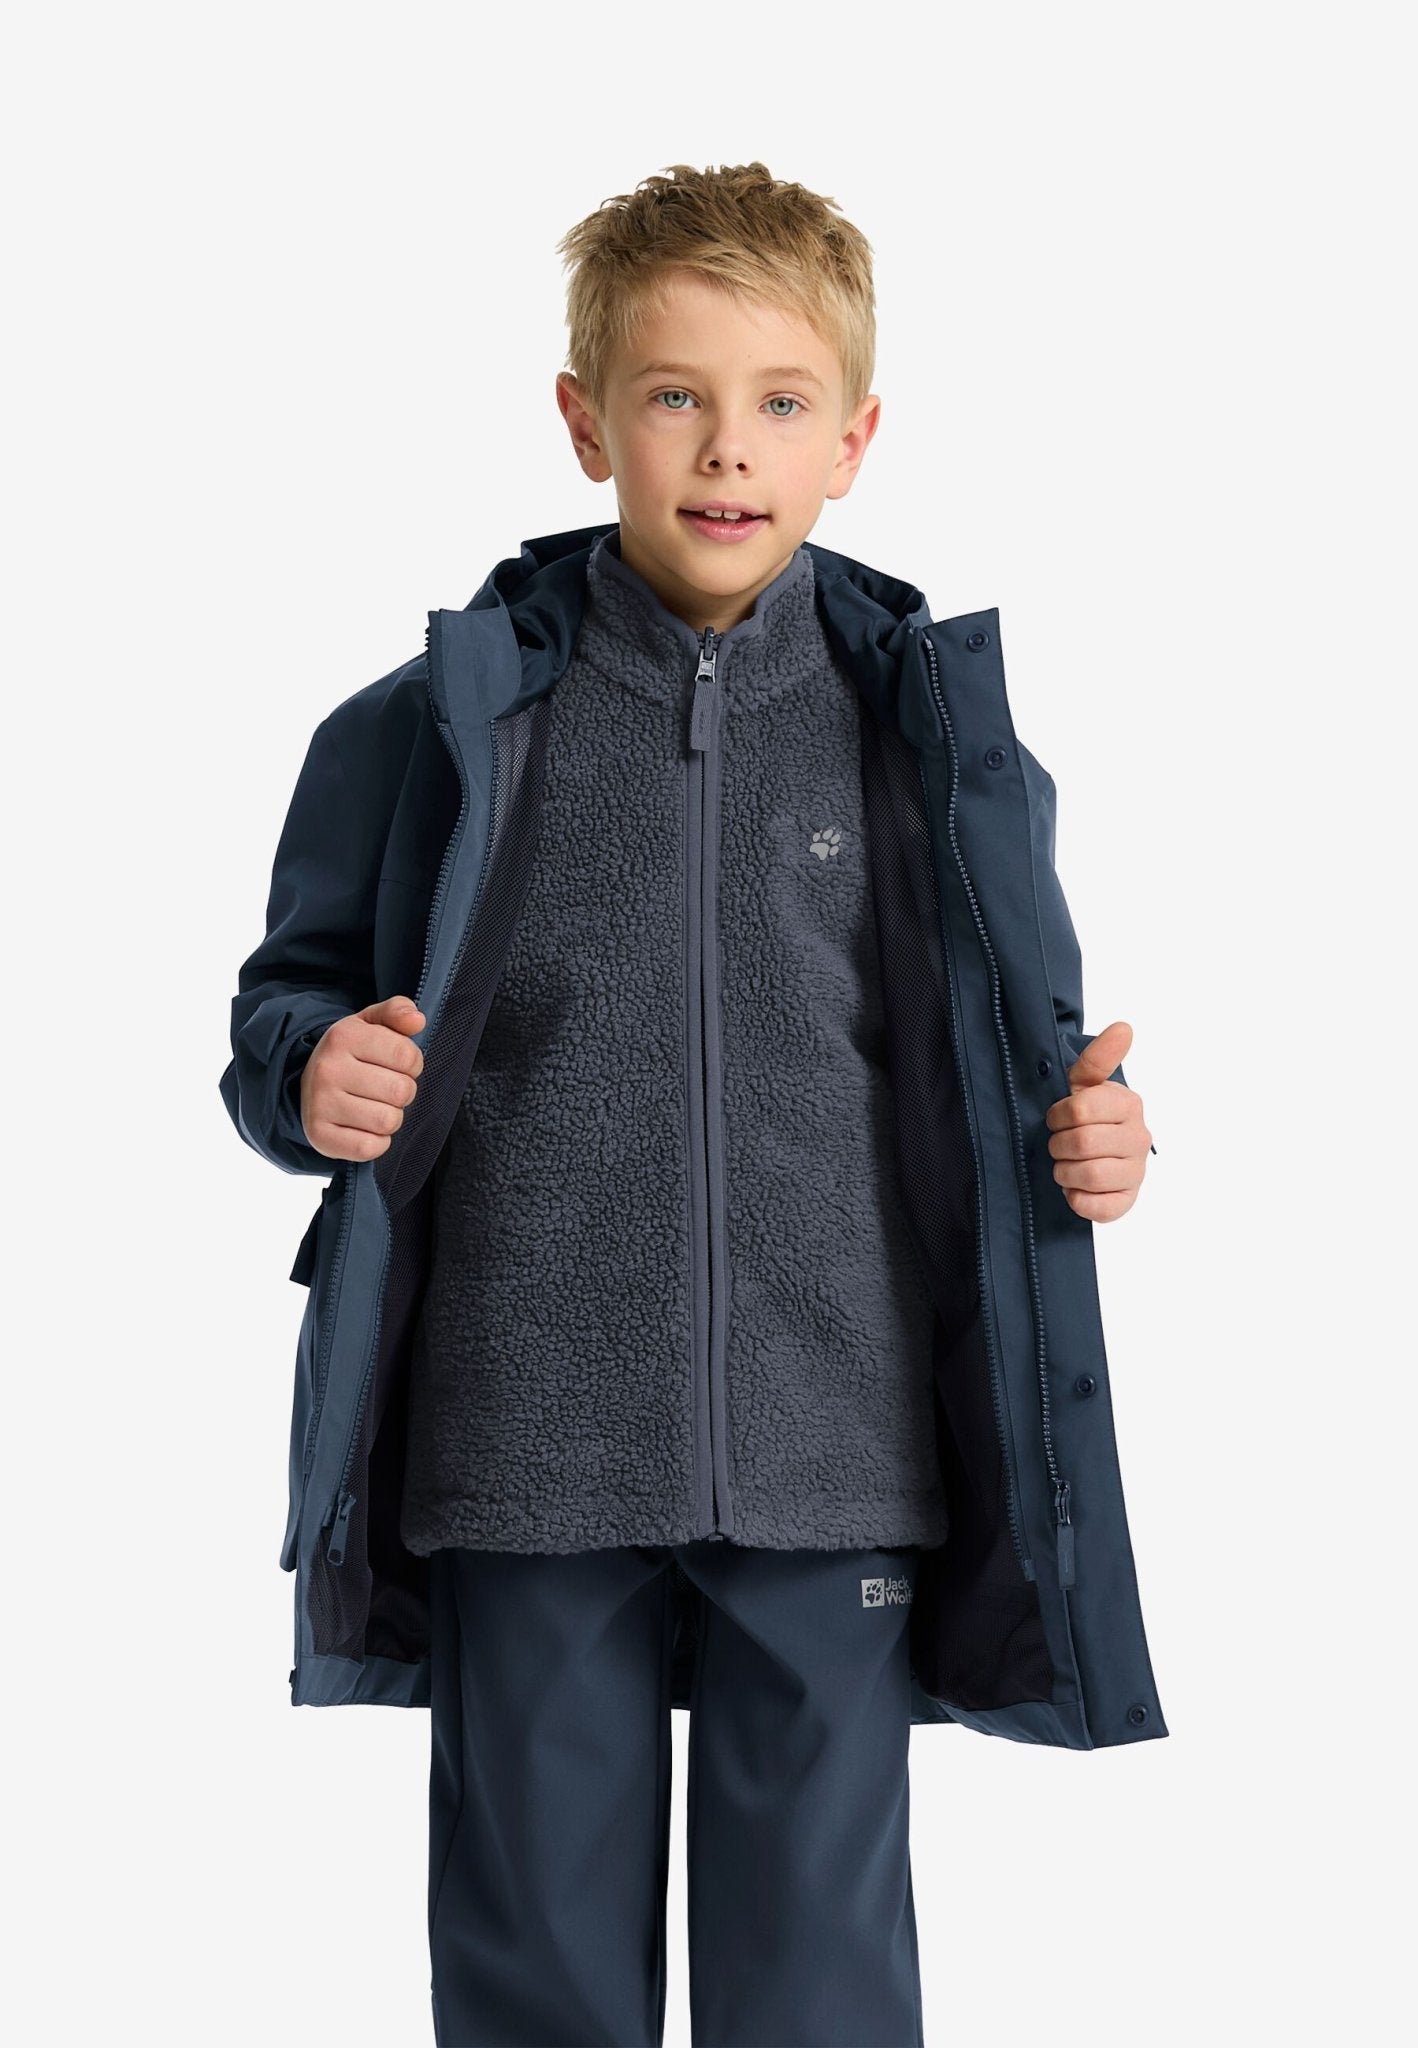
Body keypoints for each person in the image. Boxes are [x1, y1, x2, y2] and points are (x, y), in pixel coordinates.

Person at [220, 159, 1167, 2048]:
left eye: (781, 402)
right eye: (674, 396)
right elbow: (281, 1011)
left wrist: (1100, 1142)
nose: (728, 448)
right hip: (522, 1440)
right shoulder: (429, 729)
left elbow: (1020, 1063)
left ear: (855, 441)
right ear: (585, 423)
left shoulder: (935, 747)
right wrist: (305, 1075)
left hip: (837, 1446)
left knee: (817, 1978)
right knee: (536, 1963)